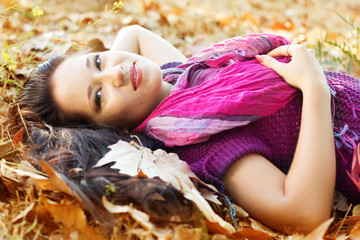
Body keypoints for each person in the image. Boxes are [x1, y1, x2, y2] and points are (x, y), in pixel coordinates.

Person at [9, 25, 360, 234]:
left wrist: (103, 82)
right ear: (108, 131)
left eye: (98, 62)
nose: (115, 73)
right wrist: (315, 89)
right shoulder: (205, 143)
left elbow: (133, 33)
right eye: (99, 96)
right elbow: (302, 212)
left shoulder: (179, 78)